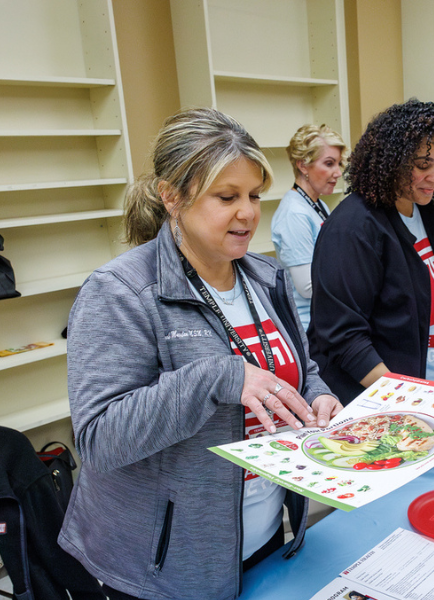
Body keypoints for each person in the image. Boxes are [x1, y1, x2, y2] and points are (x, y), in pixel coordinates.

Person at [60, 108, 342, 600]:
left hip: (260, 536)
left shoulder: (265, 277)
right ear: (172, 196)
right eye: (227, 197)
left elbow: (301, 368)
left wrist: (317, 396)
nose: (248, 213)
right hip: (164, 567)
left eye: (254, 195)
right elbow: (100, 440)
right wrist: (217, 379)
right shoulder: (121, 292)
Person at [309, 99, 434, 402]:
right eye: (423, 165)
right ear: (392, 160)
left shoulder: (429, 215)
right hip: (384, 399)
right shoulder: (352, 228)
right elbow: (343, 337)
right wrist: (404, 396)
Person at [271, 123, 348, 329]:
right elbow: (306, 287)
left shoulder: (317, 204)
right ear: (303, 166)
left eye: (339, 164)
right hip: (311, 328)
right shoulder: (294, 213)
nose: (338, 173)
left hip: (326, 318)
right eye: (329, 163)